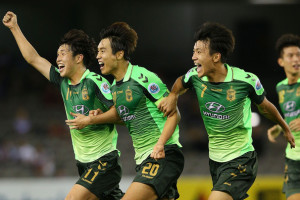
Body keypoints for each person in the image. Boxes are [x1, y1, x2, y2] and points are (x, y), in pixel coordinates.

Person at [157, 22, 295, 200]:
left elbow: (266, 107)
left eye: (199, 52)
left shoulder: (245, 81)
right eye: (193, 52)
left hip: (241, 159)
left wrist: (284, 127)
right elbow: (180, 82)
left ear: (216, 57)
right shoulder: (194, 76)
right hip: (215, 161)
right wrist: (173, 96)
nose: (193, 57)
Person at [3, 11, 123, 200]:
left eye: (63, 54)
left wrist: (92, 119)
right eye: (57, 54)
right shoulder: (62, 81)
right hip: (83, 164)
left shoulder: (95, 82)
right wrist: (14, 28)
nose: (57, 58)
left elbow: (121, 113)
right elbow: (33, 59)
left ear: (78, 58)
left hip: (104, 162)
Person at [66, 22, 184, 200]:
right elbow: (123, 117)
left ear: (119, 54)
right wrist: (99, 116)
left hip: (163, 154)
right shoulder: (114, 88)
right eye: (97, 51)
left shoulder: (142, 77)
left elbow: (175, 114)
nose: (98, 56)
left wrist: (160, 144)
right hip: (143, 159)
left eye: (103, 51)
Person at [267, 34, 300, 200]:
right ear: (281, 61)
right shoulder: (280, 88)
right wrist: (280, 127)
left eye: (299, 55)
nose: (296, 59)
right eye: (291, 55)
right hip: (293, 157)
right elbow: (291, 116)